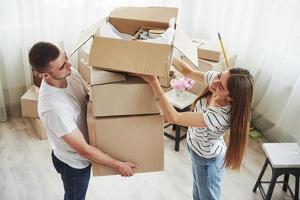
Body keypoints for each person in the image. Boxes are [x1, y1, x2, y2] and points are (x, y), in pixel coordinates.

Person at [28, 41, 137, 200]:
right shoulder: (52, 108)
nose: (68, 64)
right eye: (61, 66)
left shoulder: (70, 73)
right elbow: (83, 150)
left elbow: (87, 97)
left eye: (65, 57)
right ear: (45, 75)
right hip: (73, 164)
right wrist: (118, 165)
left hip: (83, 151)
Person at [136, 57, 254, 200]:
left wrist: (153, 82)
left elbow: (175, 118)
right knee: (197, 194)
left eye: (221, 86)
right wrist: (167, 52)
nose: (214, 82)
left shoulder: (220, 116)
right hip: (197, 151)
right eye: (219, 75)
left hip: (208, 163)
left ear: (231, 98)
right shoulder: (219, 81)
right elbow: (188, 71)